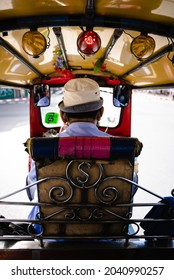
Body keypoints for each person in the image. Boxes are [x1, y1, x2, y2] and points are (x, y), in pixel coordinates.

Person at [26, 78, 138, 232]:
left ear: (63, 116)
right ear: (100, 113)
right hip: (109, 232)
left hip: (53, 234)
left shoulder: (45, 148)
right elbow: (129, 190)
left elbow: (33, 191)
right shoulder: (121, 149)